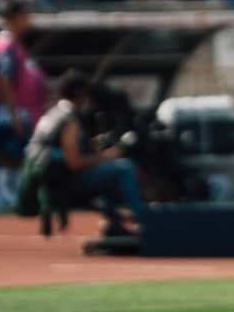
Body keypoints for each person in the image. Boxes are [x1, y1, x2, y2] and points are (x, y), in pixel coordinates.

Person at [23, 70, 148, 233]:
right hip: (66, 182)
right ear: (80, 94)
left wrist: (92, 149)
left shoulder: (51, 115)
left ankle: (115, 222)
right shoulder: (70, 120)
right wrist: (104, 156)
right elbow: (74, 163)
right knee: (124, 168)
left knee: (110, 172)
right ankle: (144, 221)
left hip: (49, 181)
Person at [0, 3, 48, 213]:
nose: (29, 20)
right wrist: (14, 114)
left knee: (21, 157)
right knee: (9, 157)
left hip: (22, 110)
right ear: (16, 17)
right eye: (25, 16)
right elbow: (4, 79)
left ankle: (15, 198)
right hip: (10, 111)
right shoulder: (4, 45)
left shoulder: (14, 44)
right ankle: (3, 201)